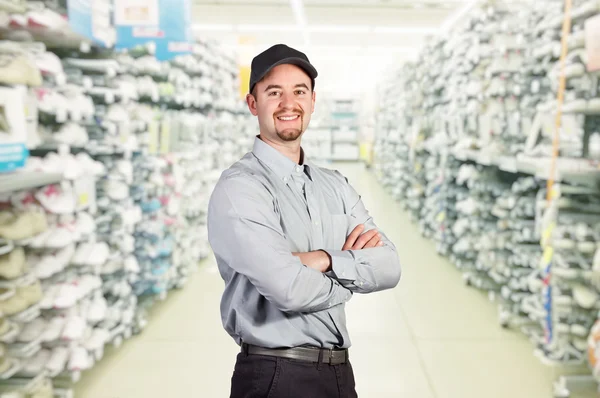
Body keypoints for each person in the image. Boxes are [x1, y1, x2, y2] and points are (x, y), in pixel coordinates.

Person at [207, 43, 401, 398]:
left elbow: (389, 267)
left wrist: (323, 260)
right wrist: (353, 276)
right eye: (273, 92)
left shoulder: (335, 184)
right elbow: (289, 289)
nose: (288, 104)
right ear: (253, 104)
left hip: (340, 374)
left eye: (299, 91)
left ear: (312, 101)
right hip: (274, 375)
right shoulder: (241, 188)